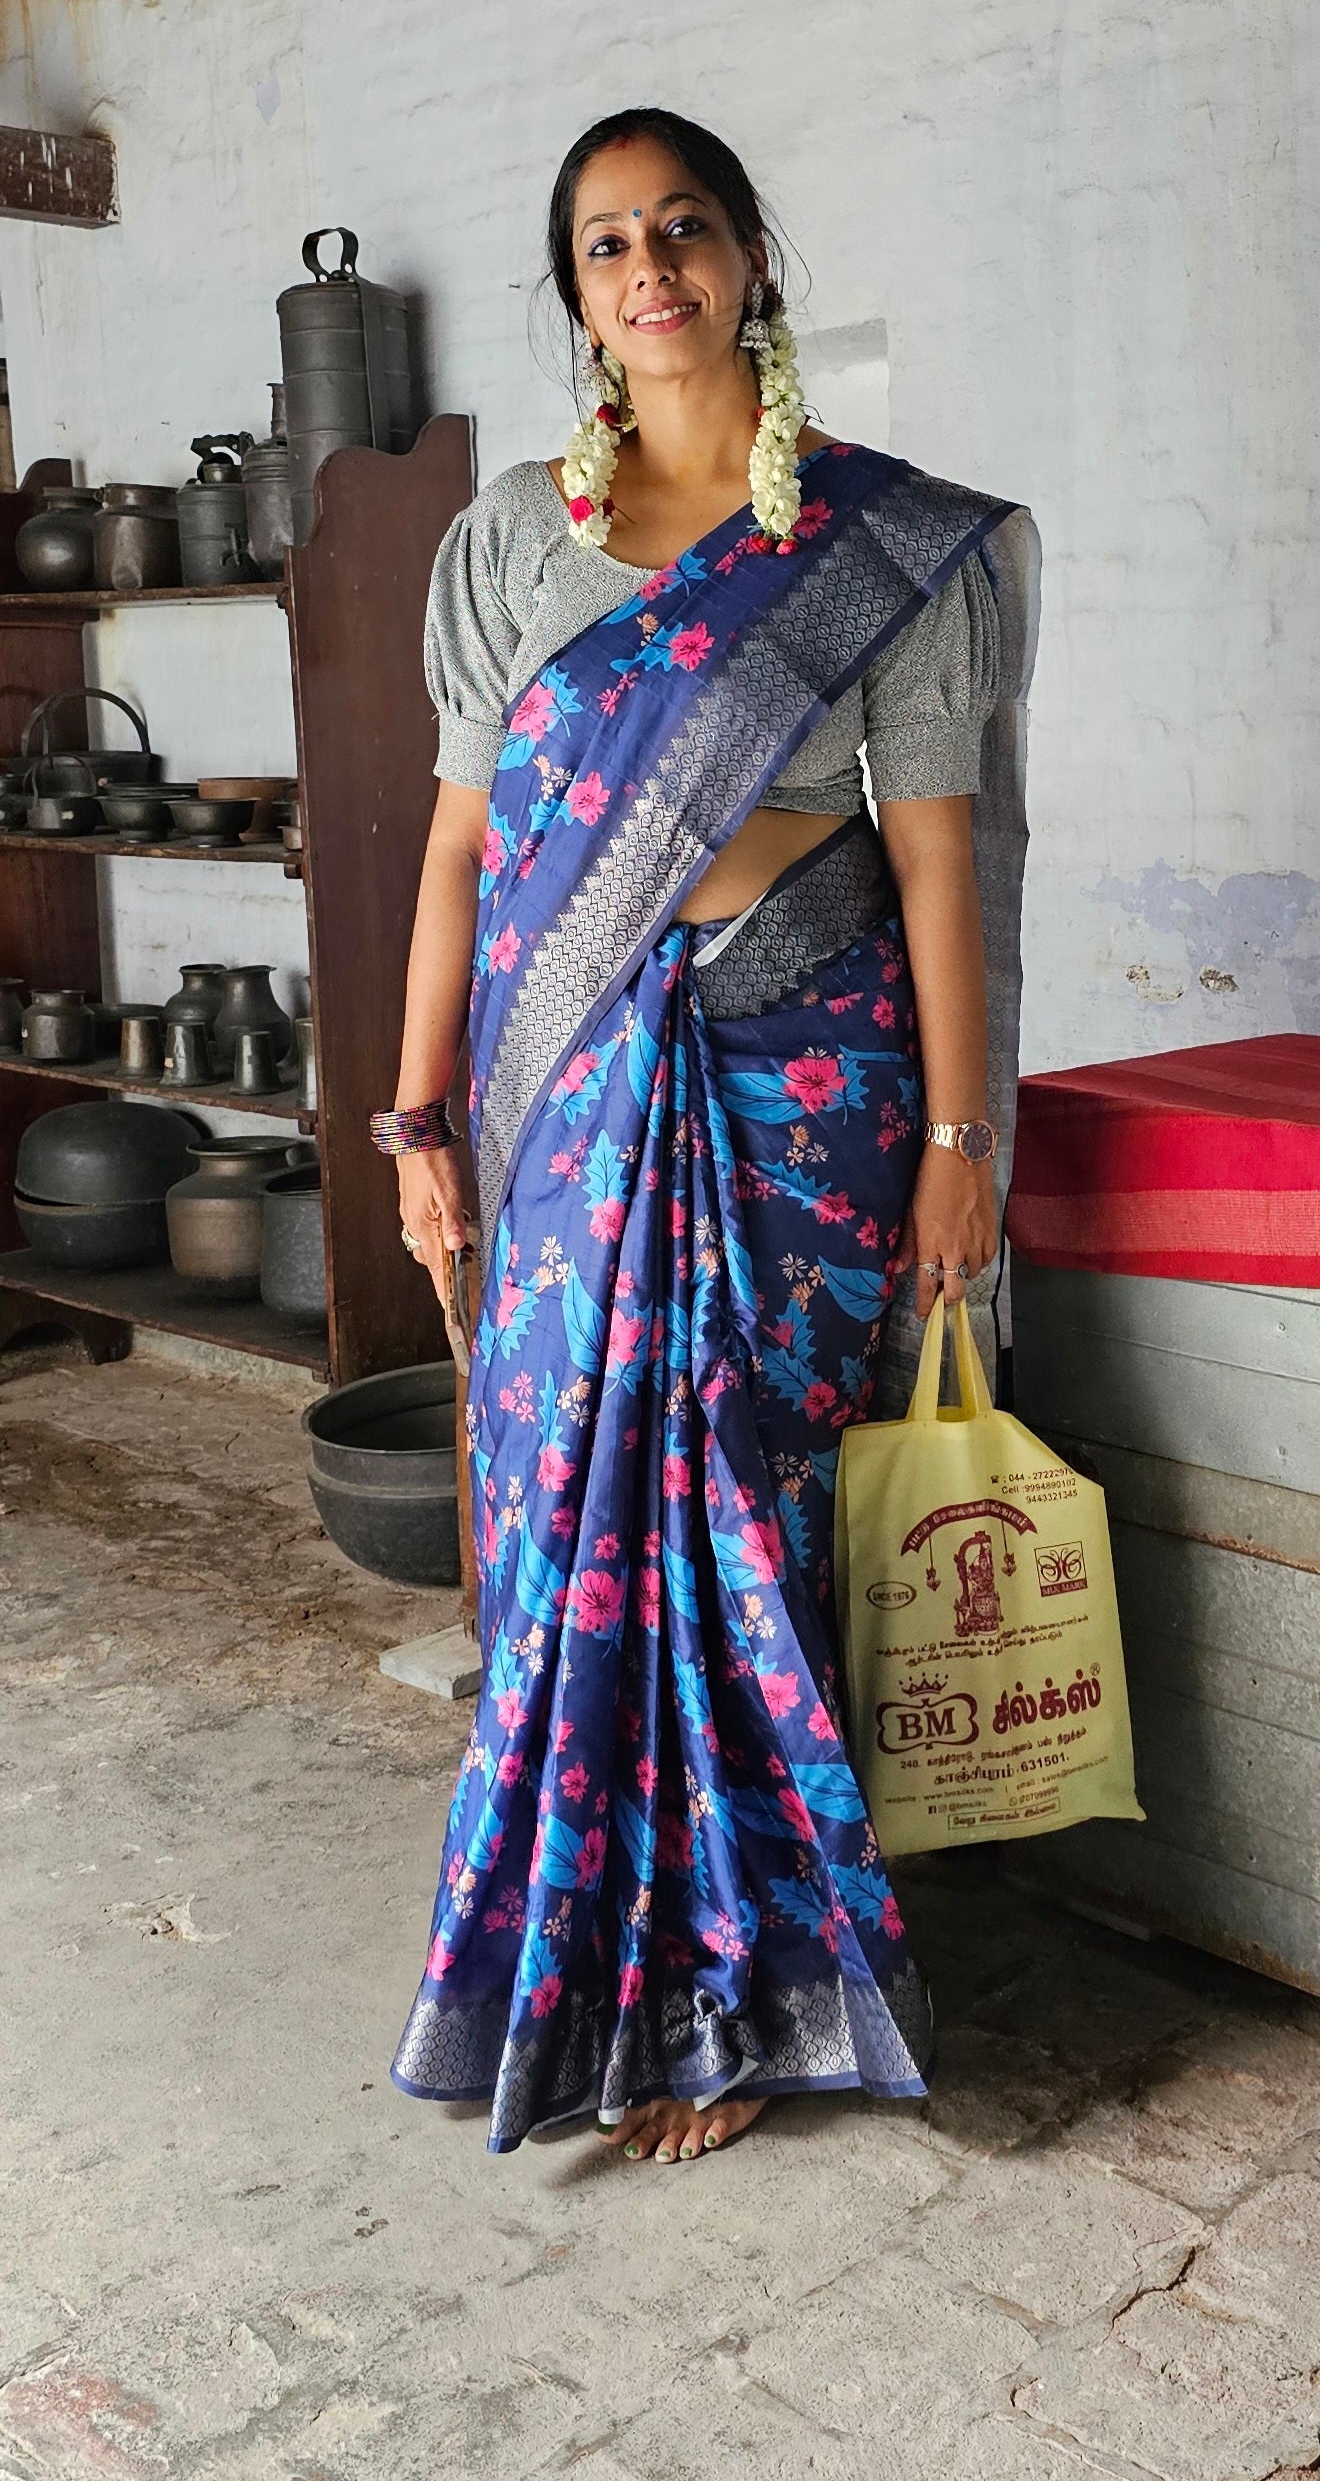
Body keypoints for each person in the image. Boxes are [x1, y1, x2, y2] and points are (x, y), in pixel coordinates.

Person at [380, 106, 1036, 2163]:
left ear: (750, 256)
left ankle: (740, 1997)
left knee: (744, 1494)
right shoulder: (509, 538)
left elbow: (939, 865)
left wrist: (958, 1137)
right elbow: (461, 854)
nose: (645, 268)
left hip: (800, 1078)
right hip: (565, 1091)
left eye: (680, 229)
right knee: (577, 1510)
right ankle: (585, 1978)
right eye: (602, 244)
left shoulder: (877, 542)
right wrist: (416, 1118)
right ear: (573, 290)